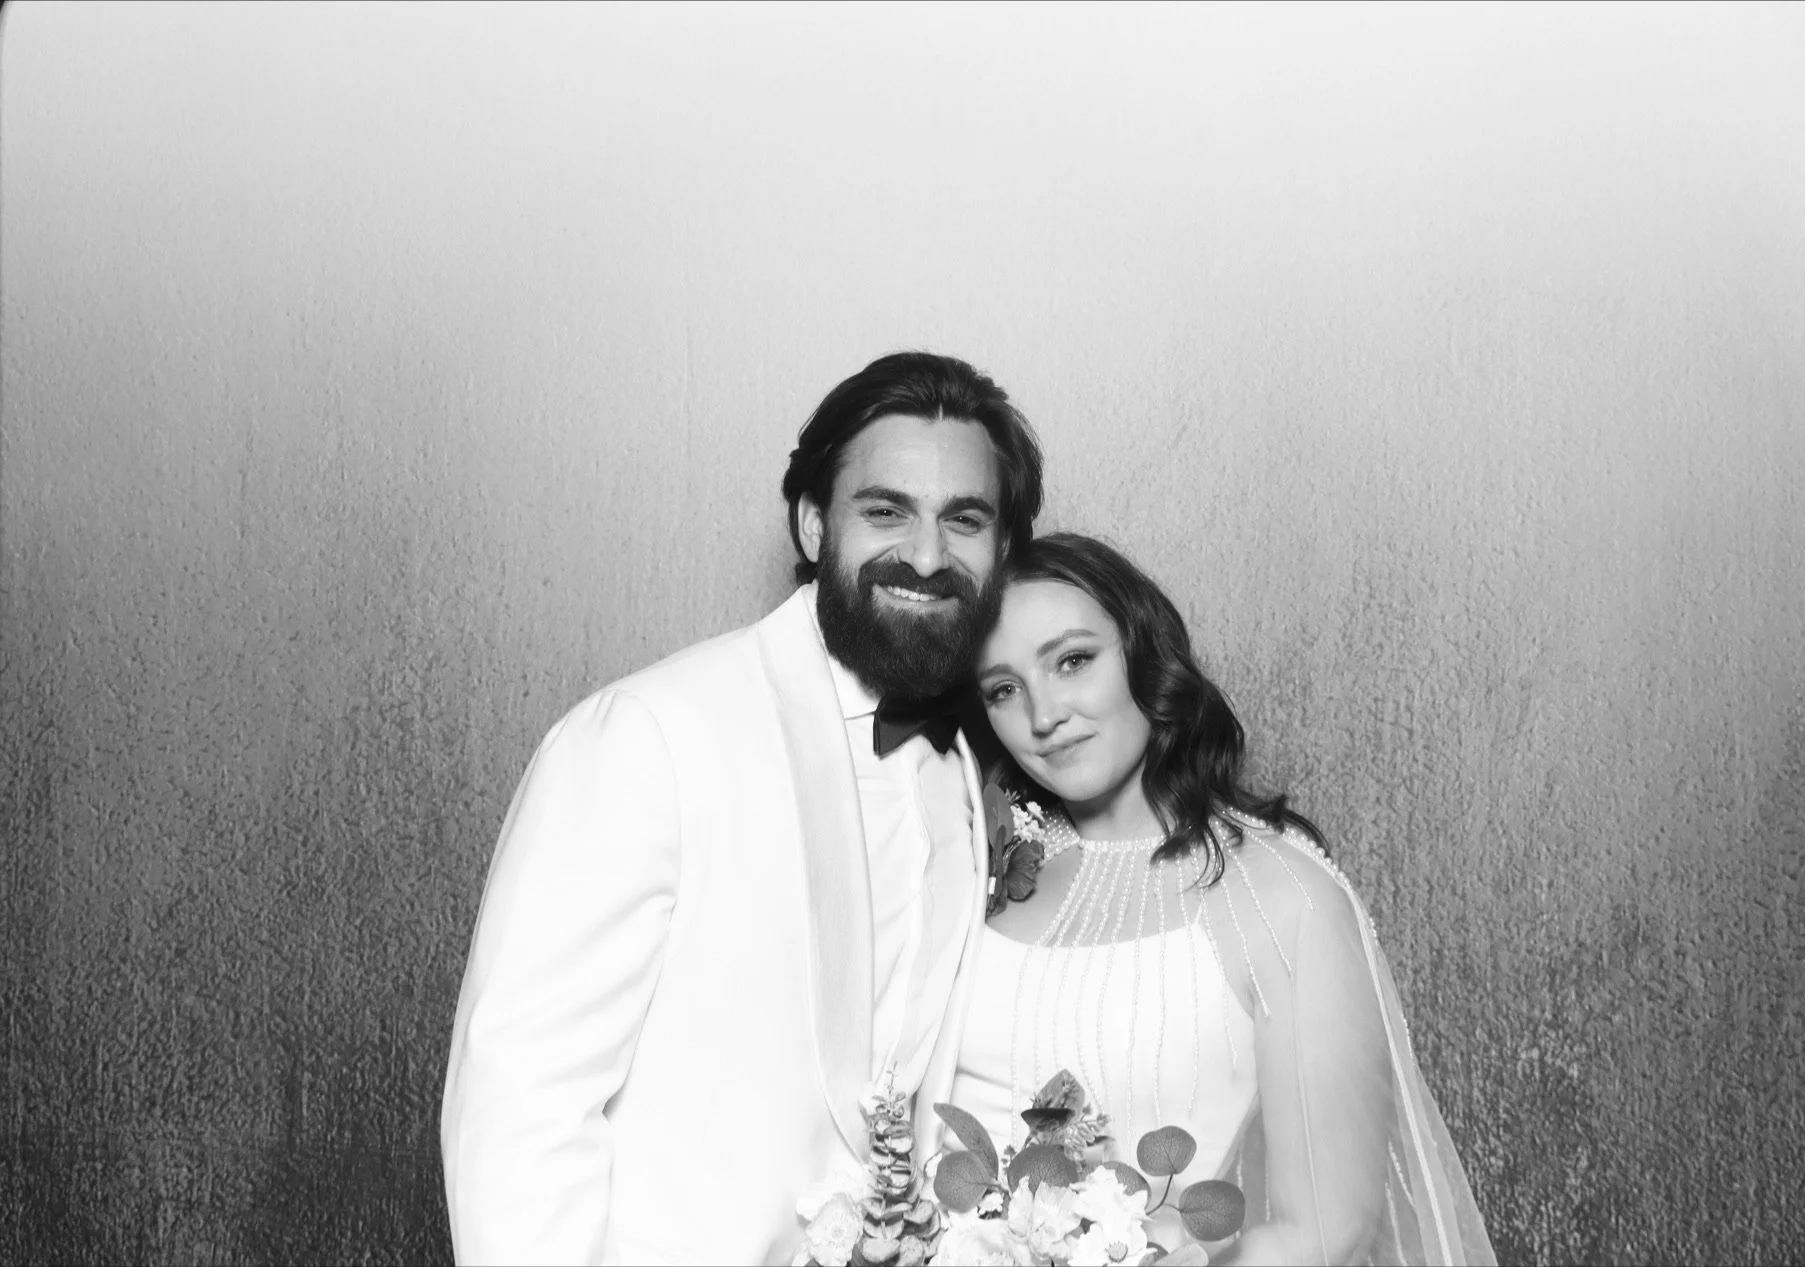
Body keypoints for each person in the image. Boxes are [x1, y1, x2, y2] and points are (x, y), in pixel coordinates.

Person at [440, 352, 1045, 1265]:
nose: (926, 555)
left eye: (964, 519)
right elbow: (522, 1104)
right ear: (811, 524)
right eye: (885, 510)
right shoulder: (649, 735)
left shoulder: (964, 765)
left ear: (1003, 550)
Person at [949, 533, 1494, 1266]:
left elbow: (1326, 1230)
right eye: (1003, 689)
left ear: (1145, 652)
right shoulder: (975, 867)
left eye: (1073, 660)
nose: (1042, 713)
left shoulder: (1280, 893)